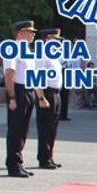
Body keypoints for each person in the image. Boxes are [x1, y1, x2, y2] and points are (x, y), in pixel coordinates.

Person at [4, 20, 40, 178]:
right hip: (18, 91)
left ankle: (19, 162)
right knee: (15, 129)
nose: (33, 34)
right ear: (19, 32)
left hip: (28, 91)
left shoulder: (27, 51)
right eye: (29, 31)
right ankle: (13, 165)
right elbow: (9, 74)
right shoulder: (12, 49)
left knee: (23, 130)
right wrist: (12, 97)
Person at [34, 28, 65, 170]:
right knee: (45, 128)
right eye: (55, 39)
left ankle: (49, 156)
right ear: (47, 39)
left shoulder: (53, 55)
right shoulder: (41, 55)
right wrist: (41, 97)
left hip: (56, 93)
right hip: (46, 93)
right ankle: (43, 159)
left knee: (52, 128)